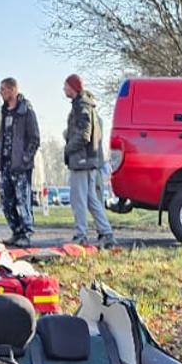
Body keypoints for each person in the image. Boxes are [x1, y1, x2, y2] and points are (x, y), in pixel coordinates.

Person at [62, 74, 114, 248]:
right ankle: (106, 233)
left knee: (78, 200)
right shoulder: (87, 105)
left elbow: (84, 134)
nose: (64, 89)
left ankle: (80, 235)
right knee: (92, 200)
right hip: (89, 161)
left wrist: (69, 147)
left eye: (66, 86)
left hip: (81, 161)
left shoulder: (81, 106)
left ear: (73, 87)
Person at [0, 77, 40, 247]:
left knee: (22, 200)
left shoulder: (26, 112)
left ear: (13, 90)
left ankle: (26, 233)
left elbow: (34, 138)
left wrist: (25, 158)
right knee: (7, 201)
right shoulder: (5, 112)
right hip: (6, 163)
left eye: (3, 89)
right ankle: (16, 231)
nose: (1, 93)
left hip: (20, 166)